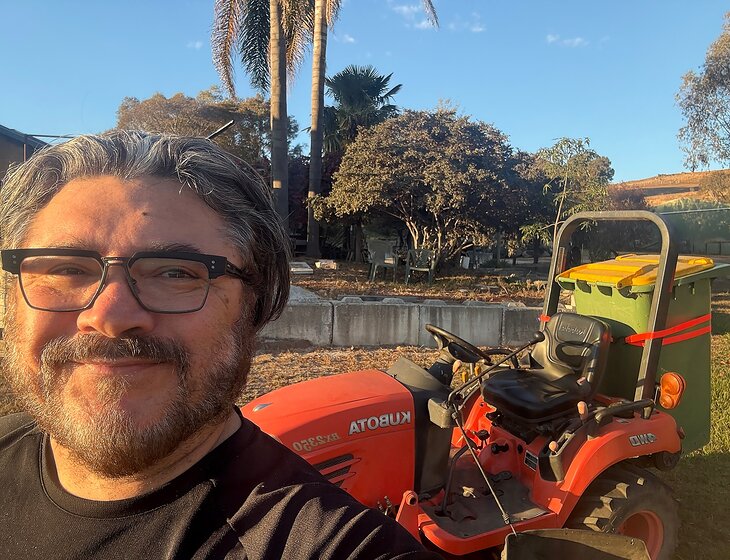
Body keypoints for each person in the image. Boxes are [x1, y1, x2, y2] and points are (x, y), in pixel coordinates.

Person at [0, 131, 442, 559]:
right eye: (65, 270)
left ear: (254, 305)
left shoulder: (334, 545)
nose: (110, 318)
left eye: (176, 272)